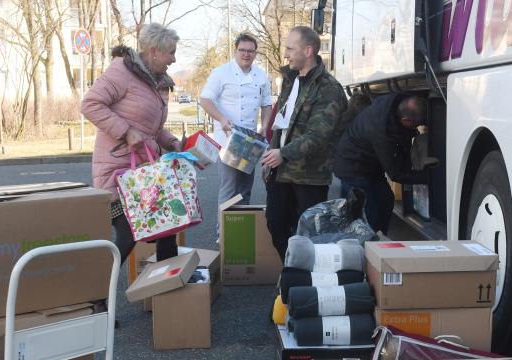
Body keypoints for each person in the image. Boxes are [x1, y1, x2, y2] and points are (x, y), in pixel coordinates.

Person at [81, 23, 182, 272]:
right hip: (117, 172)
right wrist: (125, 132)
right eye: (171, 52)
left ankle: (168, 291)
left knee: (167, 226)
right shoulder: (122, 72)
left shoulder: (156, 83)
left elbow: (152, 129)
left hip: (142, 173)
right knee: (128, 235)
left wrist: (171, 142)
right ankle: (94, 292)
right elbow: (90, 104)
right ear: (154, 51)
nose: (174, 58)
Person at [261, 26, 347, 261]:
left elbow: (318, 135)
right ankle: (292, 272)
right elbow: (282, 124)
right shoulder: (290, 80)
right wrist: (271, 155)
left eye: (290, 48)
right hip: (280, 171)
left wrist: (283, 153)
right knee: (276, 225)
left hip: (309, 176)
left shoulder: (328, 88)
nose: (285, 53)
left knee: (310, 235)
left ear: (308, 50)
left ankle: (306, 281)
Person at [333, 93, 430, 234]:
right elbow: (396, 174)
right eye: (416, 125)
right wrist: (428, 177)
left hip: (369, 166)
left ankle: (380, 240)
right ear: (405, 120)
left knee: (386, 200)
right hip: (353, 168)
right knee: (369, 216)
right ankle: (366, 247)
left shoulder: (395, 104)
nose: (417, 128)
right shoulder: (380, 131)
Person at [200, 33, 273, 208]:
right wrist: (221, 119)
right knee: (229, 188)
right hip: (228, 139)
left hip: (251, 139)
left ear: (256, 53)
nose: (246, 54)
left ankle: (241, 231)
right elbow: (205, 100)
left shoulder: (261, 75)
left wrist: (264, 126)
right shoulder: (221, 72)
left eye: (250, 51)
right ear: (235, 50)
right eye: (242, 50)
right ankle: (223, 235)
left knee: (245, 189)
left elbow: (267, 105)